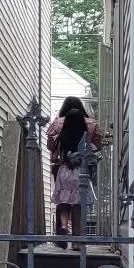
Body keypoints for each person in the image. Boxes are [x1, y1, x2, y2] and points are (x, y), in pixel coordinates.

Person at [45, 96, 101, 240]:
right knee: (78, 204)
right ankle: (77, 238)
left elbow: (52, 151)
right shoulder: (91, 126)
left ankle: (63, 226)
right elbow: (96, 148)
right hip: (81, 171)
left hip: (64, 170)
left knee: (64, 201)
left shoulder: (59, 130)